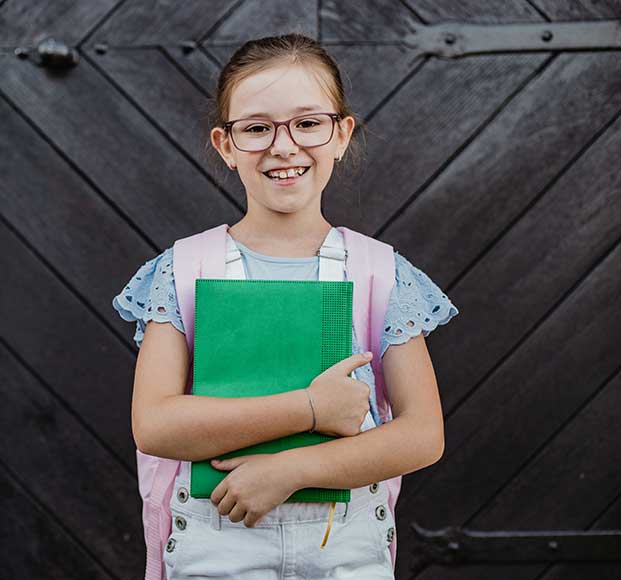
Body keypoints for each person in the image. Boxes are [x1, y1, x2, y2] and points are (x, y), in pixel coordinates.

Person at [112, 32, 459, 580]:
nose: (283, 146)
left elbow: (422, 434)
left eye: (307, 122)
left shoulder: (380, 273)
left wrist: (295, 468)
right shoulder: (183, 269)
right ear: (226, 145)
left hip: (345, 554)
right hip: (214, 553)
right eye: (256, 128)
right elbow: (155, 425)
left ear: (341, 134)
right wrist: (312, 410)